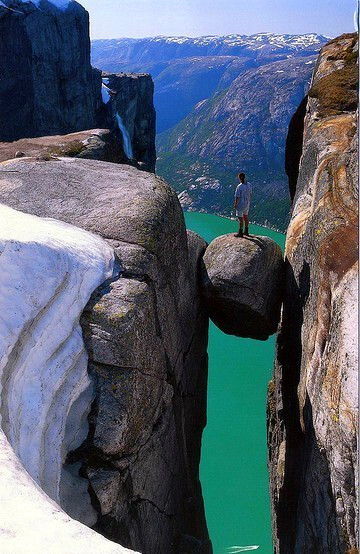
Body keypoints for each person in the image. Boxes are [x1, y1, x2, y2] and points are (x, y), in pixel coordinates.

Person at [233, 172, 252, 237]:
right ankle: (246, 231)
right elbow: (250, 194)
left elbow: (237, 196)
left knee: (240, 219)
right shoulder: (249, 184)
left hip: (240, 205)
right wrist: (249, 201)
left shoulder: (239, 186)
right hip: (247, 204)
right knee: (246, 217)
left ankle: (240, 232)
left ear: (239, 178)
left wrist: (235, 204)